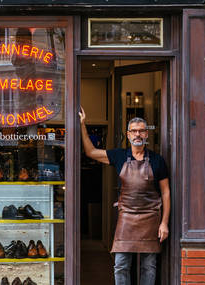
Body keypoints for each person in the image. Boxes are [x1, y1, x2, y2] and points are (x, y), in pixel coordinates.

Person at [79, 107, 170, 285]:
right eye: (134, 131)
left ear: (147, 135)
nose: (138, 134)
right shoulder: (119, 155)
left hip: (151, 217)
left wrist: (164, 223)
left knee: (149, 266)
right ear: (128, 134)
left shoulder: (158, 160)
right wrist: (82, 125)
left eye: (141, 131)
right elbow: (91, 152)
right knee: (120, 265)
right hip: (126, 217)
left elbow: (166, 192)